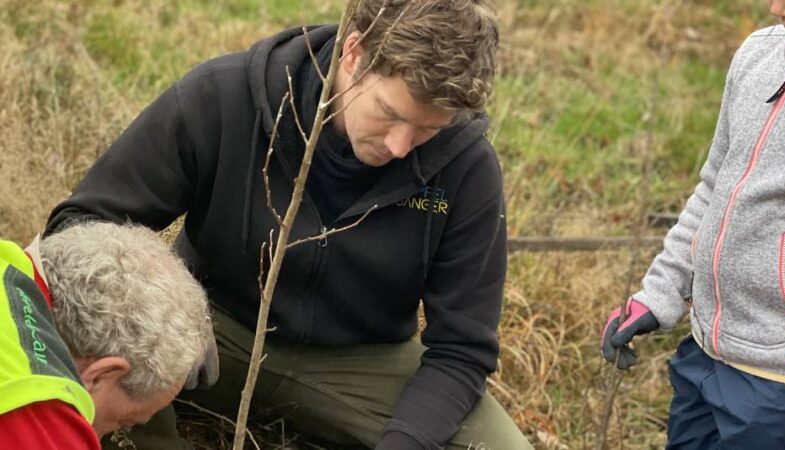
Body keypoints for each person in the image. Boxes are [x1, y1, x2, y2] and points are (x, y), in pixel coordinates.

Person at [46, 1, 531, 449]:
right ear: (353, 52)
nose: (402, 146)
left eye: (428, 130)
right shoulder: (223, 96)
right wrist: (169, 328)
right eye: (388, 113)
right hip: (210, 334)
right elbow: (79, 228)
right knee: (100, 354)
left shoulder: (469, 169)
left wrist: (406, 441)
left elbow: (462, 349)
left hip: (361, 362)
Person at [601, 2, 785, 449]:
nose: (779, 8)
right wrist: (661, 290)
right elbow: (713, 187)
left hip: (782, 387)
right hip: (704, 357)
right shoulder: (758, 52)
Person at [0, 222, 212, 449]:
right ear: (100, 375)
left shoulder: (9, 262)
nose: (100, 439)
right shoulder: (46, 428)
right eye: (123, 423)